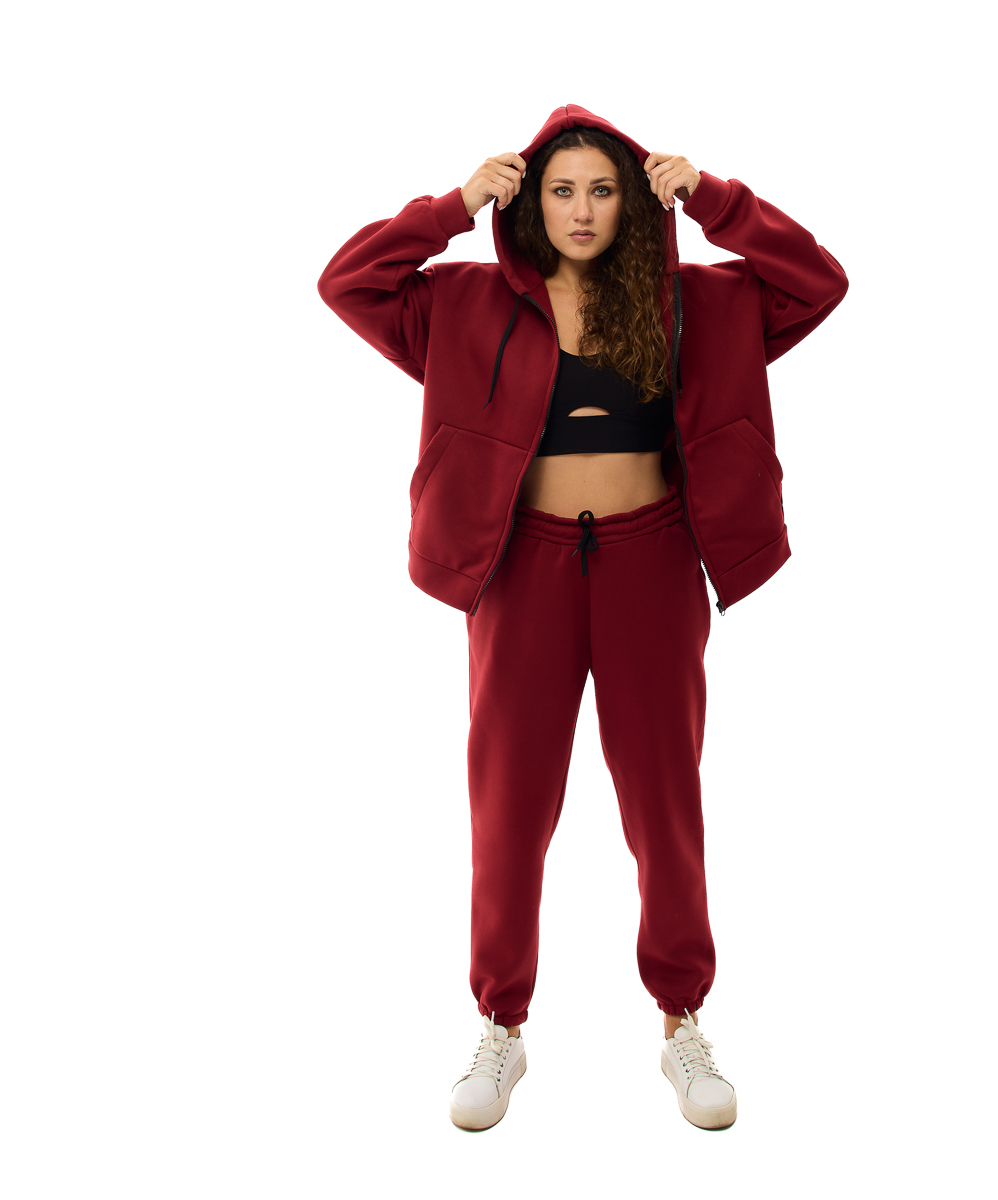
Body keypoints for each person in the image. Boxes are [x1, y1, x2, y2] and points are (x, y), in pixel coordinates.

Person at [316, 104, 849, 1131]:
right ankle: (500, 1026)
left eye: (603, 189)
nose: (581, 209)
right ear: (530, 202)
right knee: (509, 804)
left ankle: (683, 1019)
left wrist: (716, 198)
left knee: (664, 802)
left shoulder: (697, 302)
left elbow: (817, 282)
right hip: (521, 567)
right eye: (561, 190)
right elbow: (349, 281)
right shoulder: (464, 303)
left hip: (653, 559)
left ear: (634, 202)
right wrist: (451, 206)